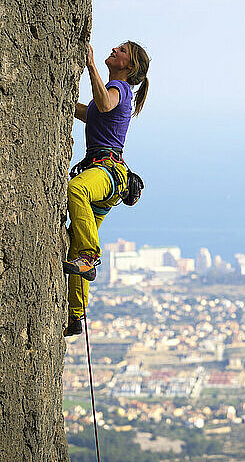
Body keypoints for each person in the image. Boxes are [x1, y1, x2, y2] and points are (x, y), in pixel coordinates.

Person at [63, 41, 150, 336]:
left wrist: (90, 64)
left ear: (129, 66)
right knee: (76, 237)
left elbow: (103, 104)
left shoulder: (120, 90)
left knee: (76, 190)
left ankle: (90, 255)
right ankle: (76, 316)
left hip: (107, 172)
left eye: (122, 50)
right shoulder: (113, 95)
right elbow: (92, 114)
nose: (115, 49)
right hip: (106, 177)